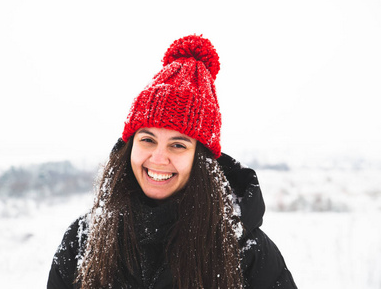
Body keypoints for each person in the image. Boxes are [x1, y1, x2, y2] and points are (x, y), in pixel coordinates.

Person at [47, 35, 297, 288]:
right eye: (147, 140)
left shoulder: (247, 252)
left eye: (178, 145)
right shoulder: (84, 239)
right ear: (129, 146)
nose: (158, 158)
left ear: (201, 161)